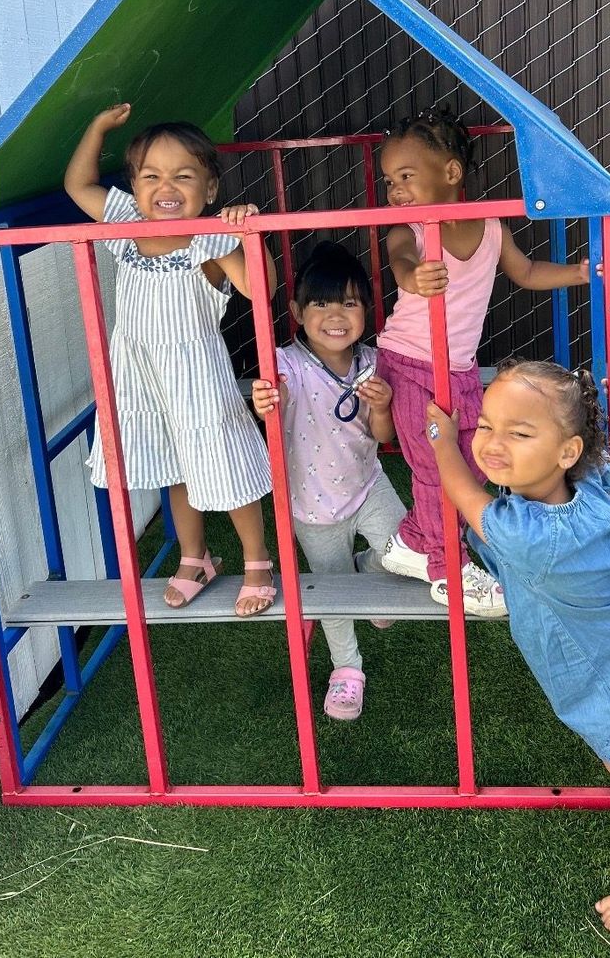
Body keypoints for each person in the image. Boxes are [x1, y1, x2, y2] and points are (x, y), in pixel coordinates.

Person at [426, 361, 610, 941]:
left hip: (599, 655)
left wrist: (440, 438)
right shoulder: (587, 486)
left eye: (519, 433)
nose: (493, 443)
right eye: (484, 425)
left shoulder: (526, 533)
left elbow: (460, 490)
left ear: (565, 450)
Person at [377, 104, 591, 615]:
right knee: (434, 467)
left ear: (451, 173)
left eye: (406, 176)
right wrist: (412, 278)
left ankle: (410, 540)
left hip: (459, 370)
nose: (396, 191)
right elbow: (400, 258)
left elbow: (528, 272)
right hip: (409, 364)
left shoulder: (491, 225)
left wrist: (580, 274)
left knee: (472, 461)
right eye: (389, 181)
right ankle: (443, 567)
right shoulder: (411, 229)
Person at [64, 102, 277, 616]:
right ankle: (195, 557)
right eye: (151, 176)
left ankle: (257, 560)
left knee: (225, 466)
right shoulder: (125, 225)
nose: (166, 187)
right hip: (141, 378)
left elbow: (261, 288)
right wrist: (96, 127)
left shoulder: (211, 238)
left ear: (209, 190)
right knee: (172, 464)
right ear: (134, 189)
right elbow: (78, 185)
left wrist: (248, 234)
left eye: (184, 176)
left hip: (198, 378)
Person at [251, 241, 404, 721]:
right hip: (313, 506)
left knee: (406, 554)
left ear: (366, 312)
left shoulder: (373, 362)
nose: (335, 314)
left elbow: (384, 436)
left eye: (350, 302)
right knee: (333, 595)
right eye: (321, 302)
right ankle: (346, 669)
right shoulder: (288, 363)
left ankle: (370, 572)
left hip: (367, 484)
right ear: (296, 310)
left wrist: (381, 407)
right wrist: (263, 398)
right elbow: (272, 393)